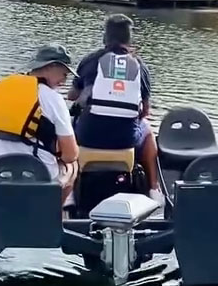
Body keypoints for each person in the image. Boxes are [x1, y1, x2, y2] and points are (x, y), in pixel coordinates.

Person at [68, 14, 164, 205]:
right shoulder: (140, 66)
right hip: (125, 139)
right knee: (148, 132)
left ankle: (69, 190)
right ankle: (154, 188)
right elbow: (145, 111)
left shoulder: (90, 60)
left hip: (88, 136)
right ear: (130, 40)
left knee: (66, 128)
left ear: (105, 37)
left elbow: (72, 95)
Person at [0, 44, 79, 203]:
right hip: (38, 175)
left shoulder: (1, 88)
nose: (64, 81)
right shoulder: (53, 98)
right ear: (51, 66)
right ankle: (52, 213)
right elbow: (70, 155)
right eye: (64, 74)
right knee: (73, 166)